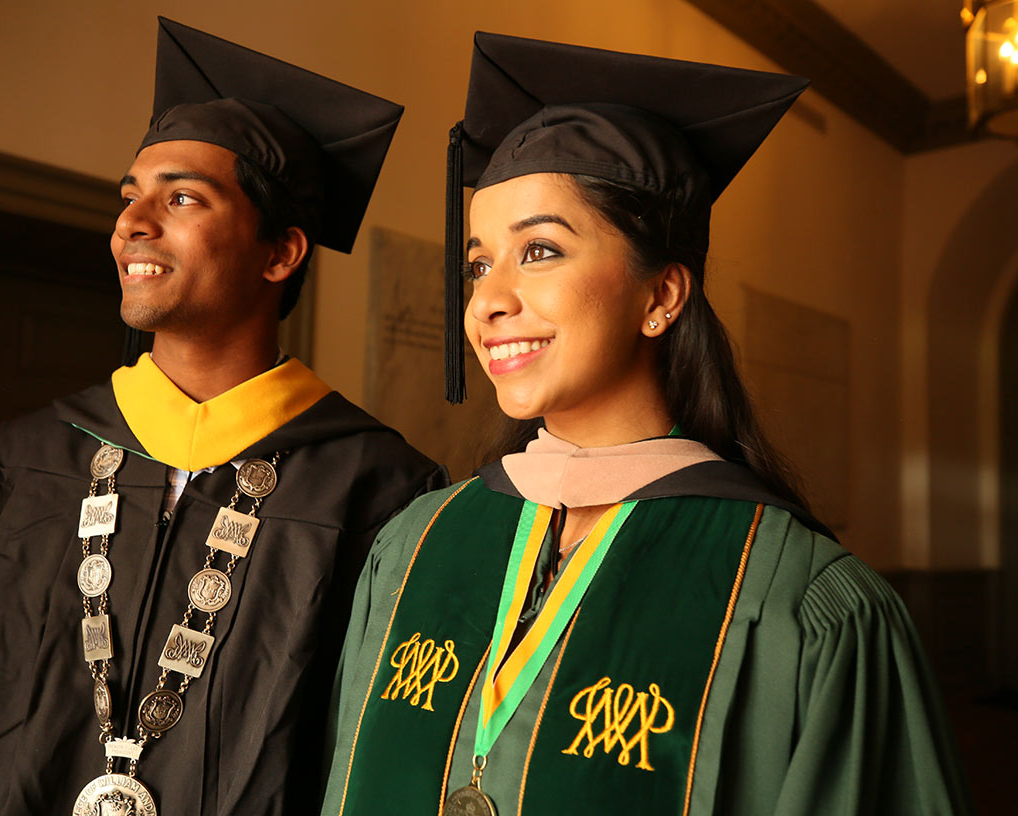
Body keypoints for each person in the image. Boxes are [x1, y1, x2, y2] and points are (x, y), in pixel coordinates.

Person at [321, 32, 972, 815]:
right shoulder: (415, 544)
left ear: (662, 297)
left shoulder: (800, 603)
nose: (489, 300)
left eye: (540, 251)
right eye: (479, 262)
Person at [0, 18, 445, 816]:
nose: (131, 221)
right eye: (130, 196)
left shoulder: (379, 491)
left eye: (184, 198)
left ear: (281, 253)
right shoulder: (29, 459)